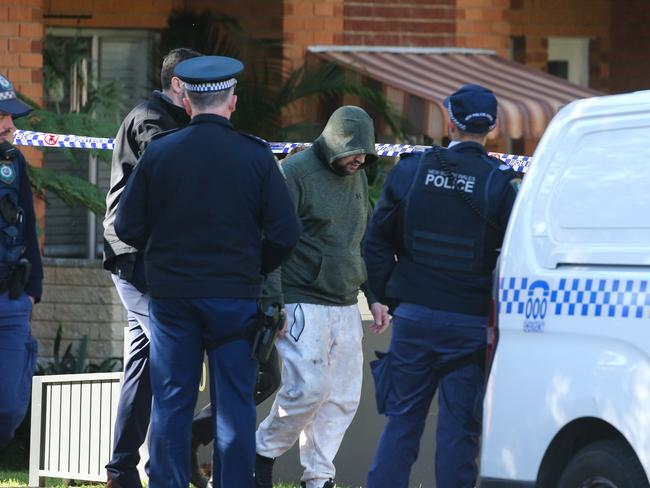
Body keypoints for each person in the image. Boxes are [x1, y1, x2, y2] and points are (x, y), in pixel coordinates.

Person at [114, 55, 301, 488]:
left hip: (172, 296)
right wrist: (256, 267)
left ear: (188, 101)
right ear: (232, 102)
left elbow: (126, 226)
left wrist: (163, 255)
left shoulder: (161, 153)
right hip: (234, 297)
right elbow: (286, 233)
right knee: (234, 403)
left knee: (172, 401)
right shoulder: (255, 156)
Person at [364, 84, 520, 488]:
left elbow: (376, 240)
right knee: (459, 433)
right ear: (493, 127)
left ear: (450, 122)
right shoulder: (501, 183)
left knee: (402, 425)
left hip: (414, 318)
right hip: (469, 325)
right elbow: (516, 253)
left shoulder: (411, 170)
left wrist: (382, 295)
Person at [255, 106, 391, 488]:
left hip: (346, 301)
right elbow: (272, 239)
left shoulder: (358, 176)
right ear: (335, 143)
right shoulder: (294, 173)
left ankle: (318, 477)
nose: (361, 159)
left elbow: (358, 241)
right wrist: (274, 301)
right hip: (301, 299)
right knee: (307, 390)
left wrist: (375, 296)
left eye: (366, 152)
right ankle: (260, 454)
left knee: (343, 398)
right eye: (354, 151)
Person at [102, 48, 203, 488]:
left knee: (142, 369)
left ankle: (121, 471)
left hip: (145, 262)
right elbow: (175, 179)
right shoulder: (151, 119)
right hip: (137, 262)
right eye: (200, 84)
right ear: (178, 84)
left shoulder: (170, 118)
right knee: (173, 364)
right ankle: (167, 470)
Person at [0, 74, 44, 447]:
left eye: (10, 118)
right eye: (2, 117)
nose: (10, 126)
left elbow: (29, 224)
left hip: (10, 300)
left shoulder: (14, 162)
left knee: (10, 406)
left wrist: (33, 290)